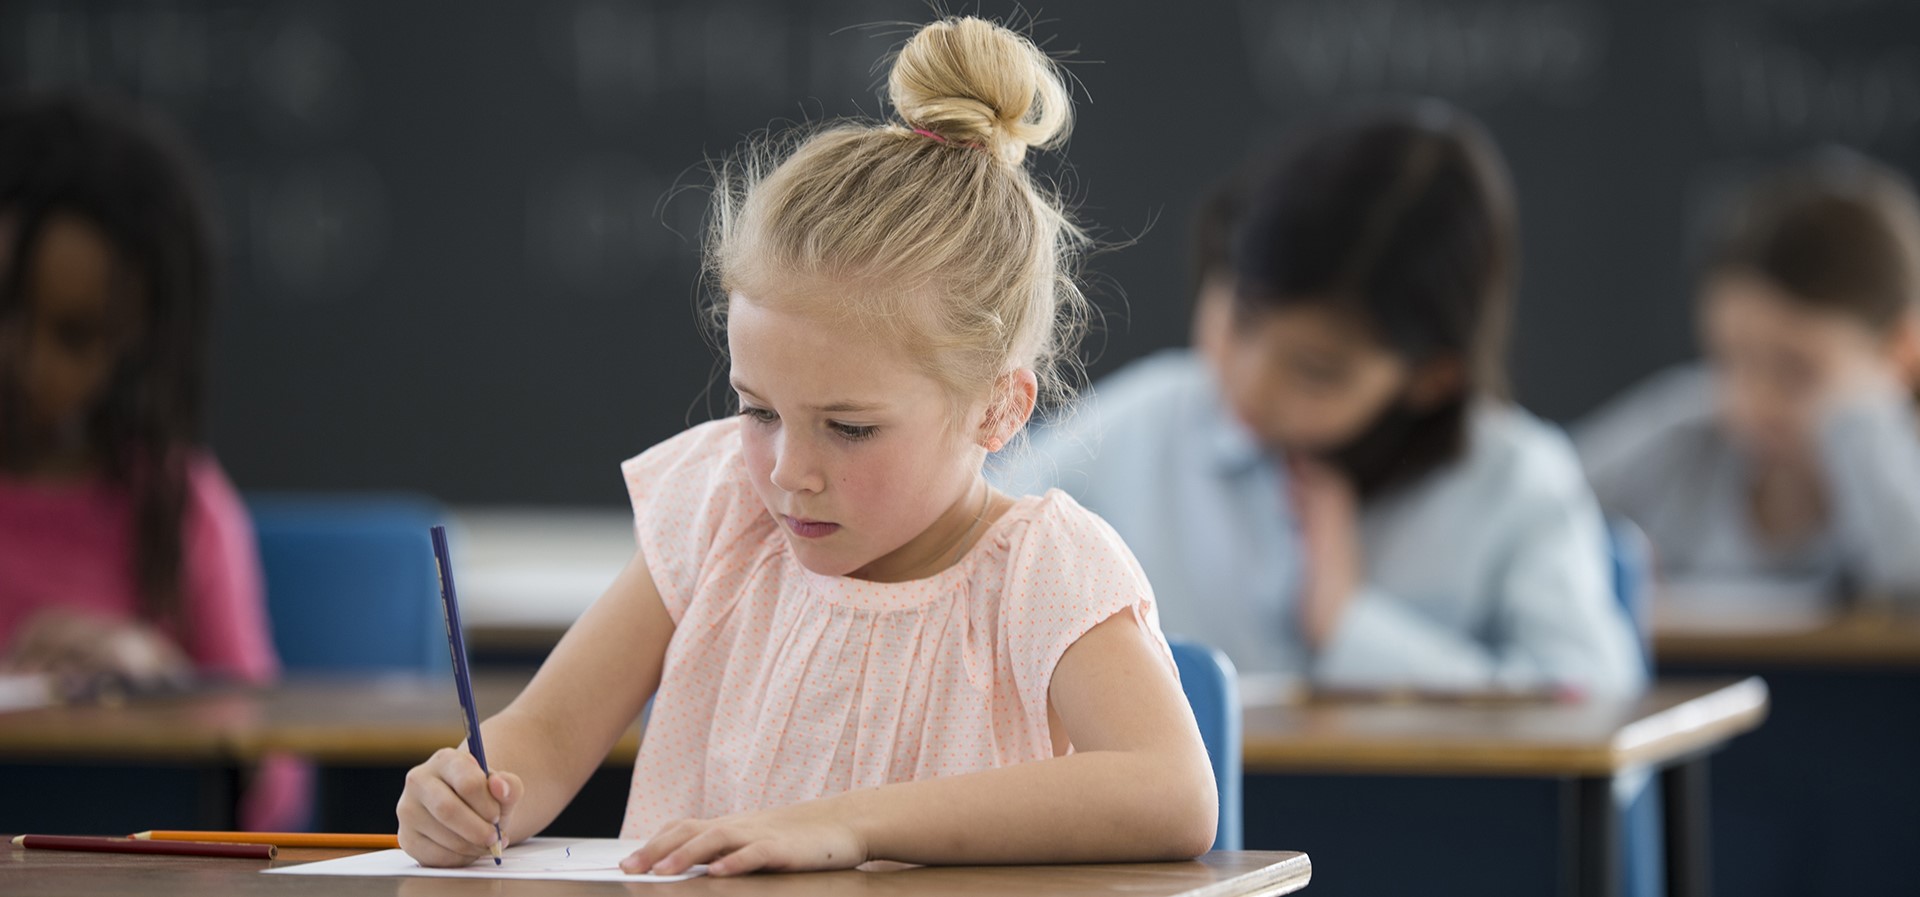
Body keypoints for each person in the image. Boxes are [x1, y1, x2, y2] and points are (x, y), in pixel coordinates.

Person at [395, 16, 1216, 876]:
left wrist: (850, 824)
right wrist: (473, 794)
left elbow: (1174, 793)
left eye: (850, 427)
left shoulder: (1040, 569)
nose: (787, 471)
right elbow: (551, 733)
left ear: (998, 409)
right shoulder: (723, 508)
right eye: (757, 410)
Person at [997, 102, 1645, 695]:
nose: (1250, 381)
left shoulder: (1513, 480)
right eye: (1242, 319)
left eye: (1316, 371)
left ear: (1432, 377)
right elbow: (964, 525)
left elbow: (1594, 702)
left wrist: (1349, 625)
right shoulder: (1151, 421)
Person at [0, 92, 274, 695]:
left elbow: (272, 775)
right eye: (5, 308)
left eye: (75, 337)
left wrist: (160, 682)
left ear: (132, 344)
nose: (25, 363)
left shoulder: (179, 513)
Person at [1576, 150, 1920, 599]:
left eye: (1796, 369)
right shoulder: (1685, 440)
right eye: (1729, 360)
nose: (1753, 399)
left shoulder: (1895, 467)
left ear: (1901, 349)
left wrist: (1862, 426)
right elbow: (1532, 504)